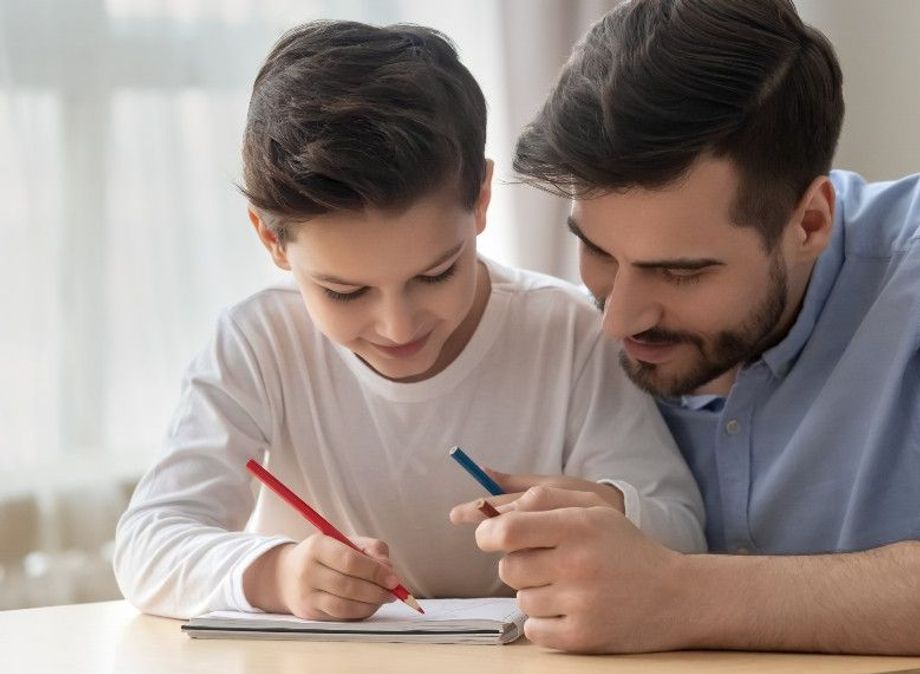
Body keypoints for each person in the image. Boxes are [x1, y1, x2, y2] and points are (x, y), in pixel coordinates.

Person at [451, 1, 920, 671]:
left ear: (810, 222)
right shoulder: (571, 329)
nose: (620, 318)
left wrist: (679, 593)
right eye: (599, 252)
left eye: (682, 271)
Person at [112, 20, 704, 622]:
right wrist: (278, 574)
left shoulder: (571, 332)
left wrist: (609, 510)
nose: (397, 328)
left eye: (436, 274)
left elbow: (684, 527)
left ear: (480, 200)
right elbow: (148, 543)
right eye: (344, 291)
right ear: (272, 239)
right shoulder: (259, 343)